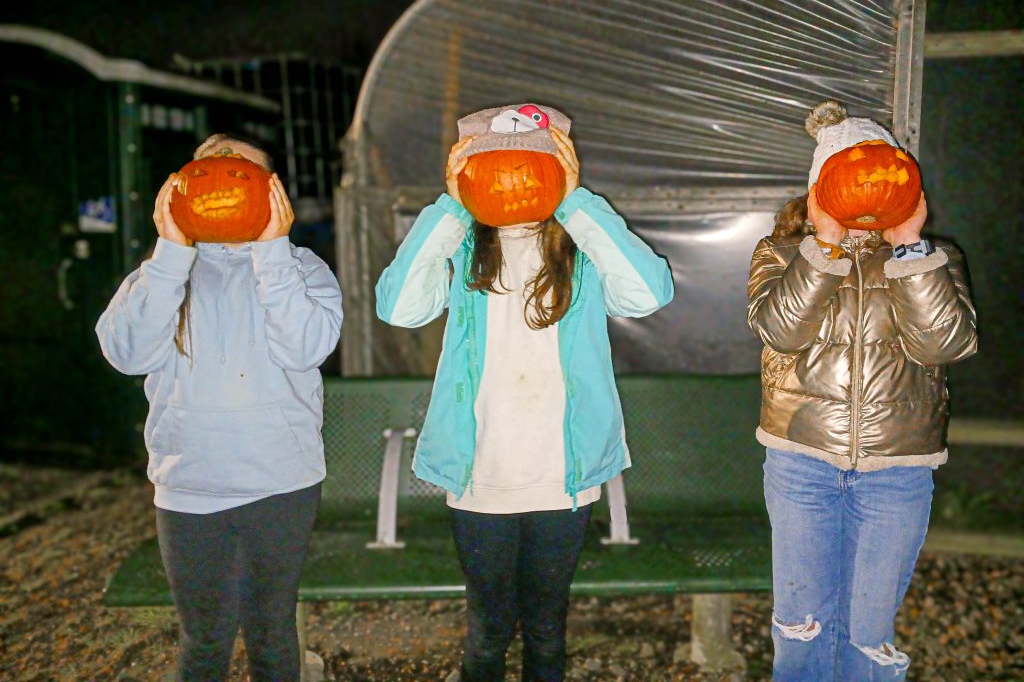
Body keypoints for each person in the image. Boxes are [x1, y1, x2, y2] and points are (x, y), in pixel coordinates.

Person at [375, 103, 674, 682]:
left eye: (531, 164)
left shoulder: (581, 248)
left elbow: (648, 292)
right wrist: (451, 206)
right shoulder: (462, 249)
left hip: (560, 476)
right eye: (495, 164)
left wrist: (575, 200)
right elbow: (398, 307)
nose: (513, 177)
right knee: (487, 632)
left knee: (546, 629)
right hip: (481, 477)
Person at [96, 134, 343, 682]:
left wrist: (271, 251)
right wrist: (170, 254)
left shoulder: (303, 270)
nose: (225, 178)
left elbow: (307, 348)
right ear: (182, 186)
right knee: (204, 638)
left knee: (272, 629)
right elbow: (126, 354)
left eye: (242, 172)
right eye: (210, 168)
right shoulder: (159, 274)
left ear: (272, 191)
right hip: (189, 487)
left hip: (280, 482)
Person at [746, 101, 978, 681]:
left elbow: (945, 345)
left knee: (869, 635)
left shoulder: (936, 258)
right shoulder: (781, 254)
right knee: (801, 625)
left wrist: (908, 248)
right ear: (820, 187)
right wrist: (823, 247)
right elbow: (780, 330)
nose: (871, 192)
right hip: (802, 464)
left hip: (898, 472)